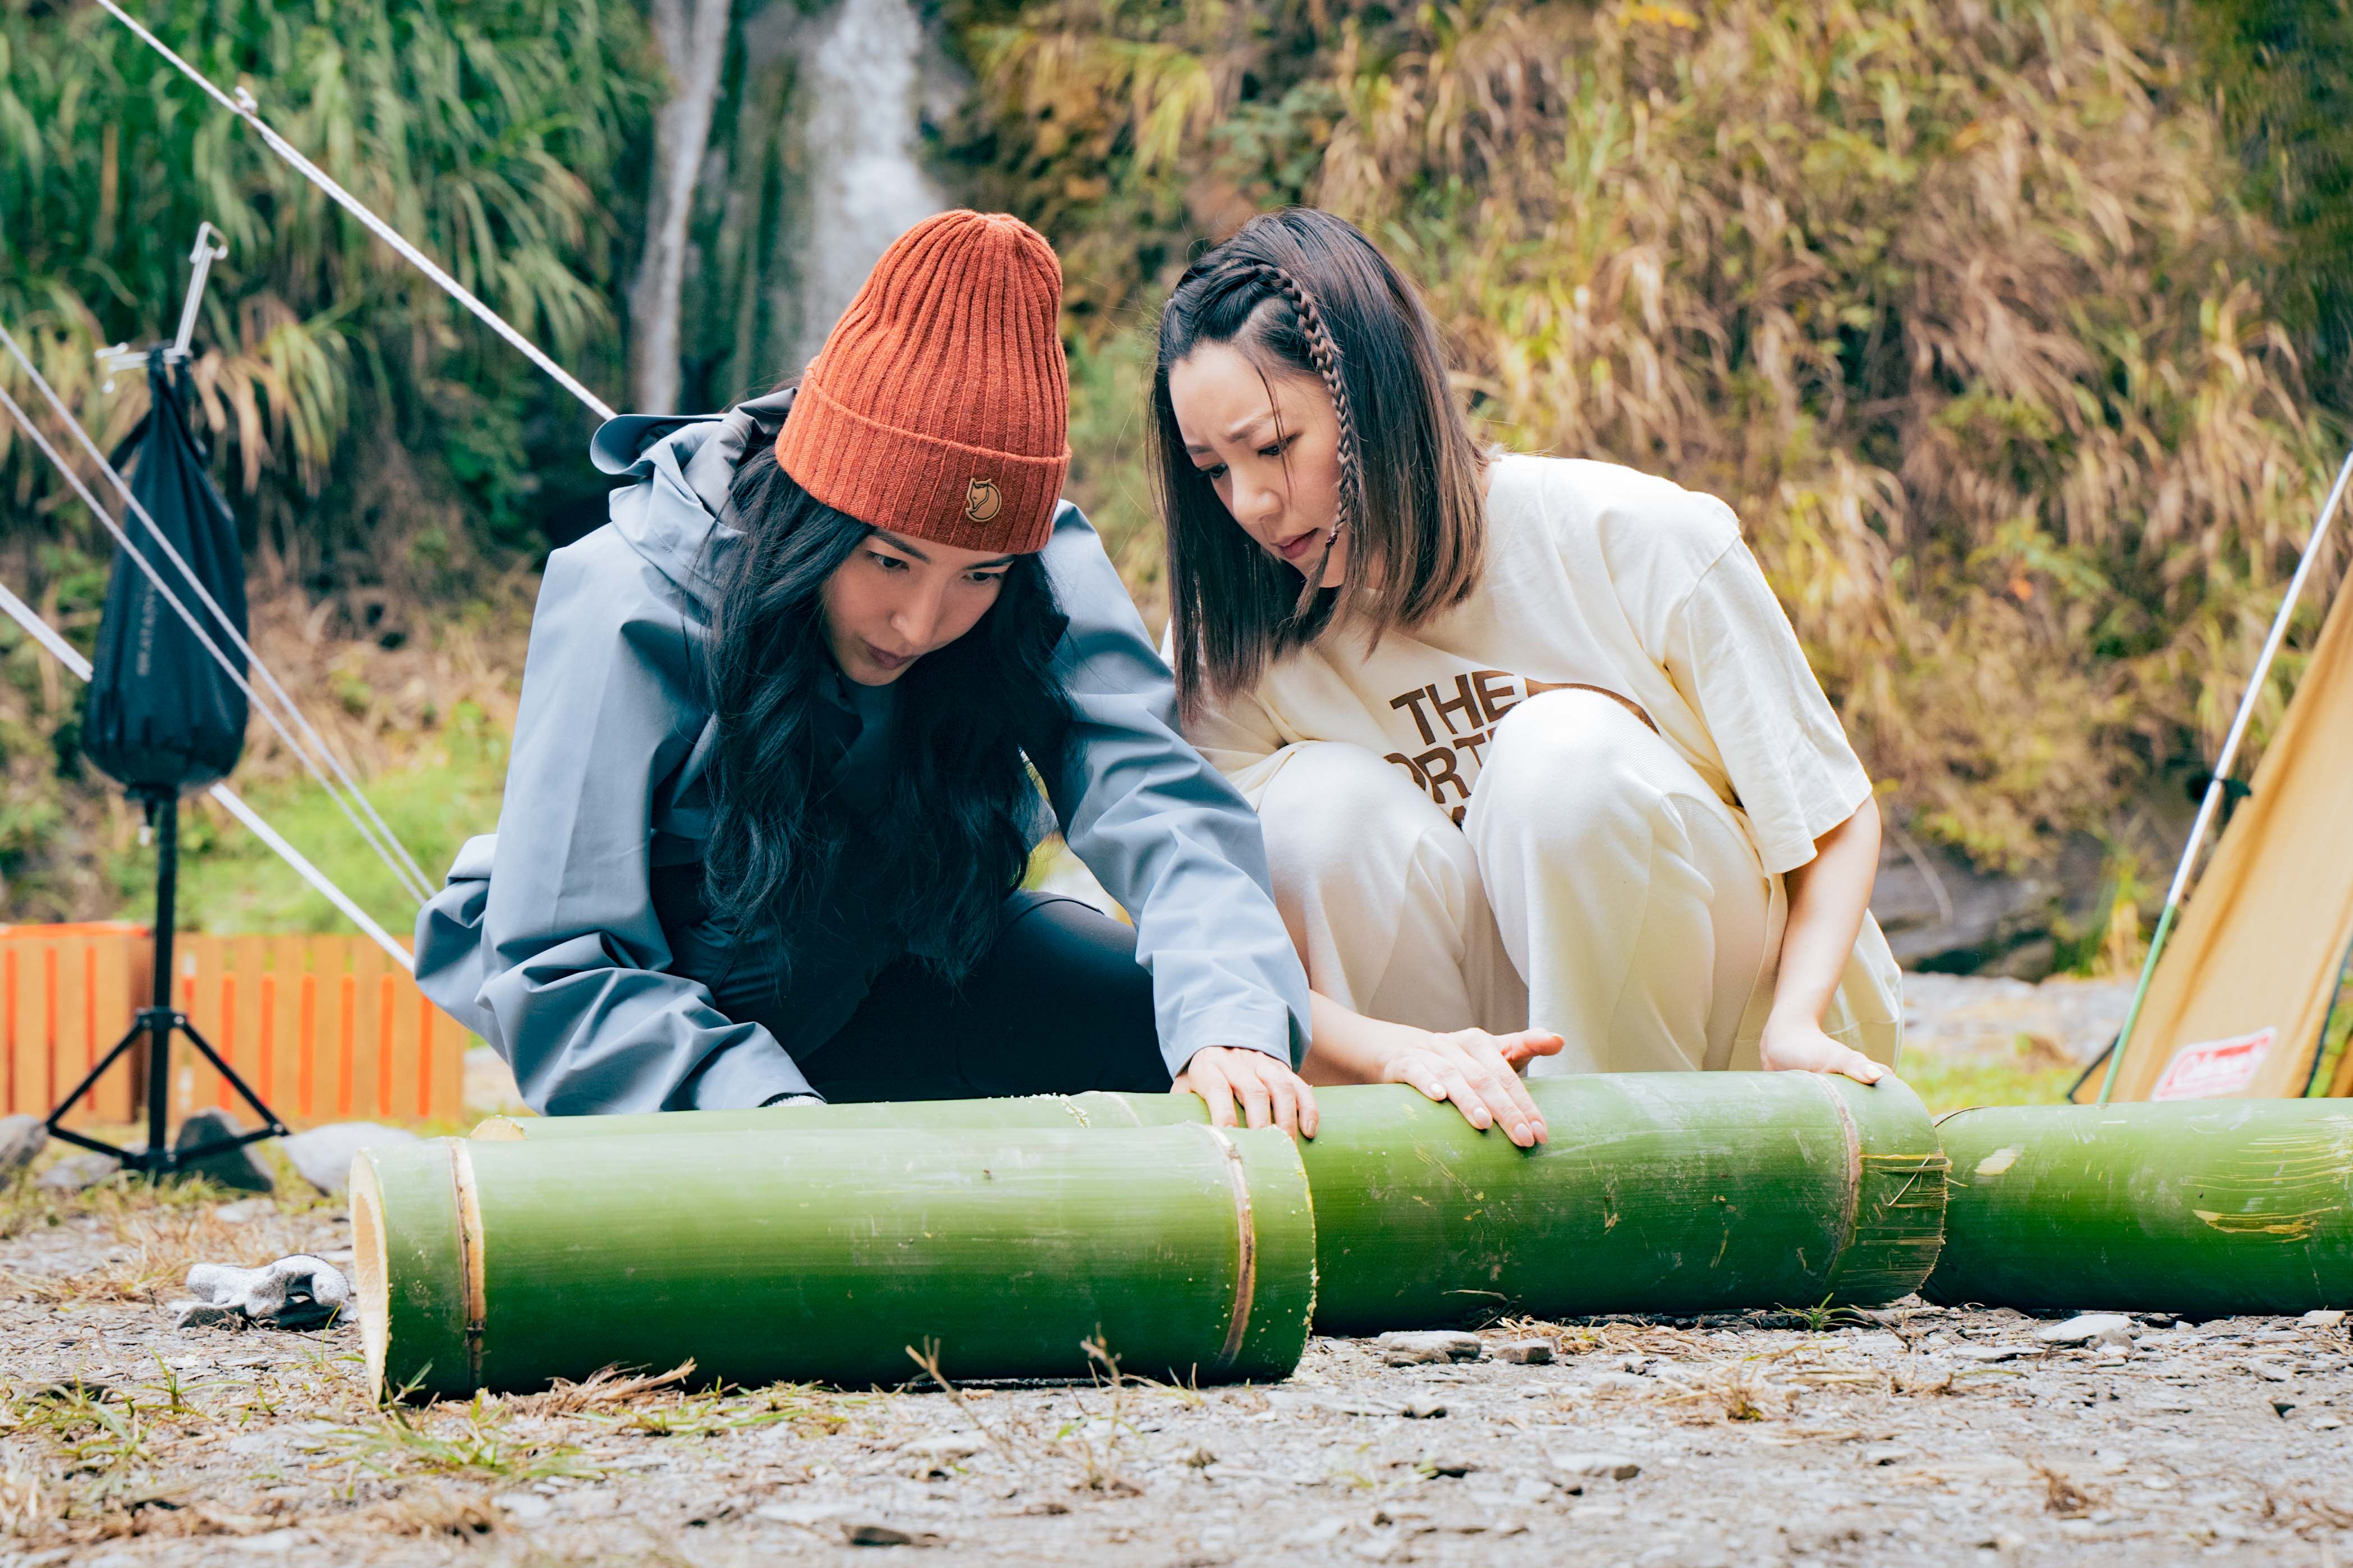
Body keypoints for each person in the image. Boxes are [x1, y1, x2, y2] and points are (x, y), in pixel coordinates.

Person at [415, 210, 1332, 1130]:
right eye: (887, 561)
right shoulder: (630, 594)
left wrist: (1232, 1025)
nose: (919, 622)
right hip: (675, 1033)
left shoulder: (1036, 559)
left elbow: (1158, 802)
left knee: (1181, 1049)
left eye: (977, 576)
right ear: (817, 517)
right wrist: (773, 1118)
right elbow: (563, 962)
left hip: (903, 963)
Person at [1150, 207, 1903, 1088]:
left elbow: (1831, 817)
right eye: (1213, 471)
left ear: (1375, 398)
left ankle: (1638, 1171)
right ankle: (1443, 1172)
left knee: (1561, 760)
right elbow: (1206, 933)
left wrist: (1798, 1023)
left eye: (1274, 447)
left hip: (1739, 1038)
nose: (1248, 505)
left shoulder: (1630, 536)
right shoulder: (1229, 645)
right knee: (1314, 815)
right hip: (1456, 1056)